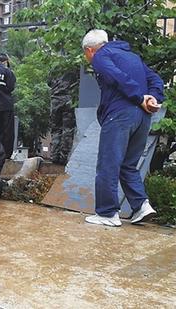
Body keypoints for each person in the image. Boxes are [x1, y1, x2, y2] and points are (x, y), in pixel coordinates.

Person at [81, 29, 164, 227]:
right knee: (128, 165)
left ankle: (107, 213)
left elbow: (115, 76)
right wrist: (153, 97)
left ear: (90, 50)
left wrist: (139, 97)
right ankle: (141, 205)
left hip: (119, 116)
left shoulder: (101, 56)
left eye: (86, 55)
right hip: (142, 117)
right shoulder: (132, 57)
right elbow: (155, 79)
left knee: (108, 164)